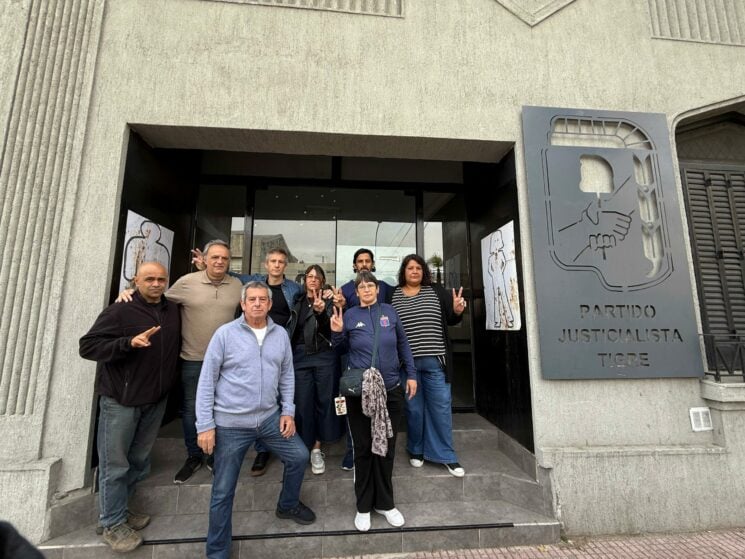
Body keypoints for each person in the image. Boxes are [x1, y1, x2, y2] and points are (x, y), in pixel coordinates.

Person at [196, 281, 315, 558]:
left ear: (270, 304)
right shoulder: (225, 334)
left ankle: (287, 505)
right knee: (223, 491)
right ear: (243, 303)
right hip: (231, 424)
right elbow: (207, 381)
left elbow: (287, 375)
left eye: (263, 299)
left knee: (299, 456)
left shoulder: (280, 334)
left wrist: (287, 411)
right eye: (252, 299)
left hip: (269, 418)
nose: (258, 303)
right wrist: (205, 425)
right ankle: (217, 551)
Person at [79, 262, 181, 553]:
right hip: (121, 401)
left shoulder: (172, 309)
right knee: (115, 465)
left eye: (161, 279)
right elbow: (87, 346)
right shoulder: (120, 310)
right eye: (149, 279)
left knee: (137, 460)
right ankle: (112, 523)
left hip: (154, 400)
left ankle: (119, 511)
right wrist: (126, 343)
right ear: (136, 280)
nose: (156, 284)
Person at [192, 246, 303, 476]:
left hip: (278, 345)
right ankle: (259, 450)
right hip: (246, 351)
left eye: (281, 262)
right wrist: (207, 265)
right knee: (224, 482)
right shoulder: (228, 330)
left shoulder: (293, 289)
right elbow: (230, 274)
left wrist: (288, 412)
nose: (257, 303)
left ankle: (267, 446)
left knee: (273, 400)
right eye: (273, 261)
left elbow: (308, 298)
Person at [330, 271, 417, 532]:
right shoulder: (350, 315)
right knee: (364, 448)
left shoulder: (389, 312)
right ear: (356, 292)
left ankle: (385, 504)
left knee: (386, 448)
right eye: (362, 287)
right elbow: (340, 350)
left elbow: (403, 344)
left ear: (378, 289)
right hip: (360, 393)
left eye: (370, 285)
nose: (366, 289)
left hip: (391, 390)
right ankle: (364, 506)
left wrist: (412, 374)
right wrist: (337, 333)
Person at [391, 254, 466, 477]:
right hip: (408, 367)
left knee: (440, 408)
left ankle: (446, 455)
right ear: (403, 271)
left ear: (424, 271)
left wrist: (457, 311)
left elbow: (452, 318)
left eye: (418, 268)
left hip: (436, 363)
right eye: (410, 268)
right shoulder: (393, 295)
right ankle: (416, 449)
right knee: (414, 409)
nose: (414, 271)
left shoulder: (436, 291)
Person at [286, 265, 342, 475]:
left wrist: (320, 313)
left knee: (324, 401)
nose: (312, 279)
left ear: (322, 281)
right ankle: (305, 444)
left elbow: (331, 331)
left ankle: (317, 448)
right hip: (299, 357)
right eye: (309, 276)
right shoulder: (297, 300)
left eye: (317, 277)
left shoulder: (329, 301)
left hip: (324, 356)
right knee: (302, 403)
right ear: (304, 280)